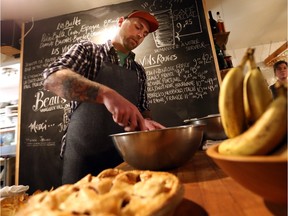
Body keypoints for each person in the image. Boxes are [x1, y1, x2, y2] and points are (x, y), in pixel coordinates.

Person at [42, 10, 165, 184]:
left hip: (123, 157)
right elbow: (52, 79)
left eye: (144, 34)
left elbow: (143, 110)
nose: (140, 35)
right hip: (81, 155)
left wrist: (145, 122)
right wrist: (106, 94)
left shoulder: (139, 71)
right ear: (121, 21)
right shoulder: (88, 51)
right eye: (138, 27)